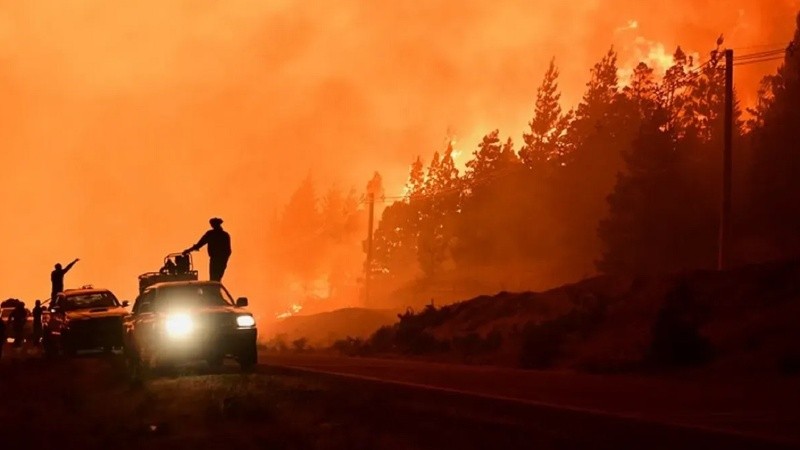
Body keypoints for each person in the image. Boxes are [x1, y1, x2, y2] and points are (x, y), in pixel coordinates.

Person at [183, 217, 231, 282]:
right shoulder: (223, 235)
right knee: (216, 278)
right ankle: (215, 290)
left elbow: (199, 244)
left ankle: (214, 290)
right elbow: (200, 244)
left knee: (214, 278)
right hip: (219, 260)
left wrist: (189, 250)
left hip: (217, 260)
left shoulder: (213, 234)